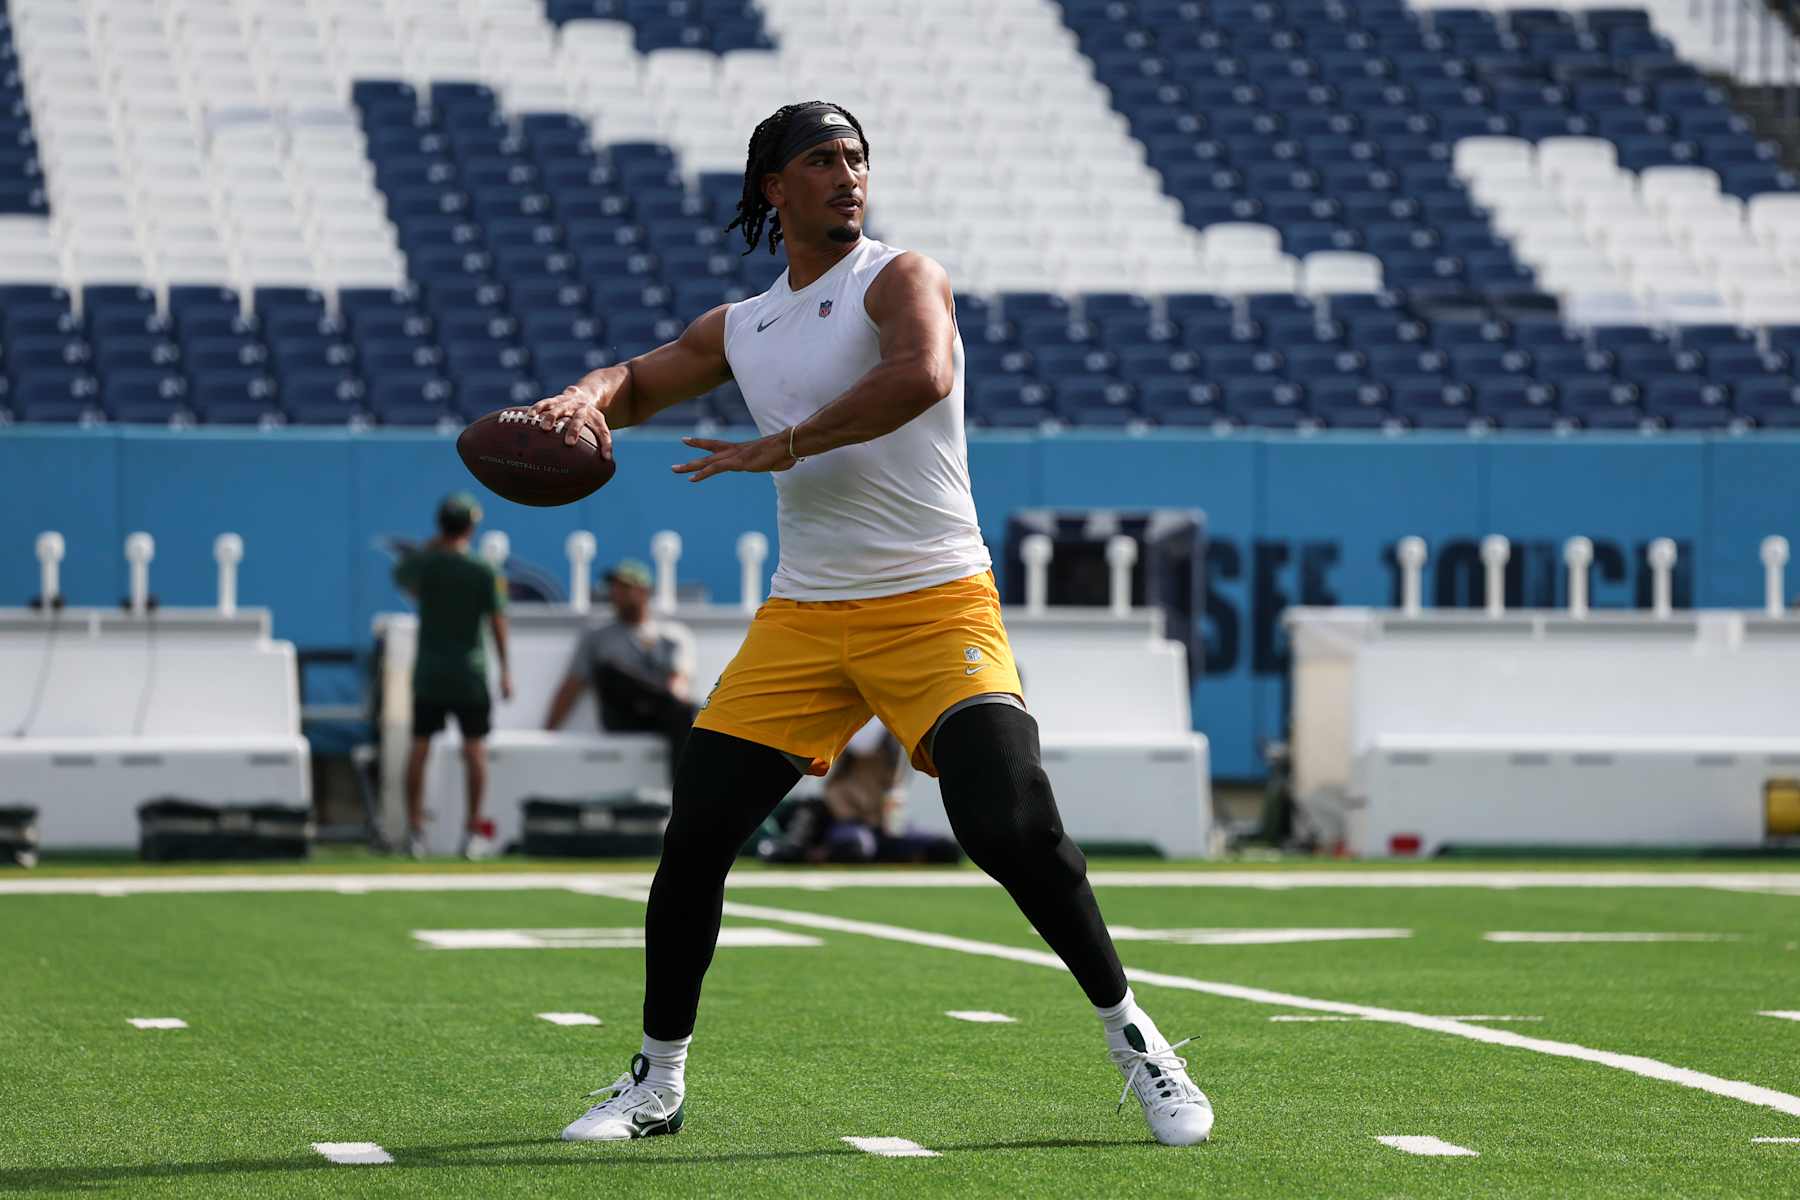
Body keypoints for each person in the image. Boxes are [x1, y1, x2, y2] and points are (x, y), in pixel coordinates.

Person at [530, 101, 1212, 1148]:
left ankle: (1140, 1044)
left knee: (1012, 825)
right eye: (821, 159)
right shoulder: (743, 325)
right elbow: (641, 379)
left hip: (935, 603)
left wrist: (788, 445)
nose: (847, 174)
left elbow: (921, 375)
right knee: (696, 838)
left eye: (856, 157)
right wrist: (579, 400)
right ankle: (656, 1083)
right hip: (806, 615)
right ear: (774, 188)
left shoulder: (899, 277)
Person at [393, 492, 512, 861]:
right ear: (471, 526)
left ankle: (415, 831)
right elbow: (497, 620)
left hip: (430, 672)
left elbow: (404, 580)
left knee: (420, 747)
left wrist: (428, 548)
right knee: (474, 752)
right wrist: (506, 670)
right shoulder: (482, 569)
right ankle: (472, 832)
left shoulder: (427, 564)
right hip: (470, 673)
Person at [544, 558, 699, 777]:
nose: (616, 593)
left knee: (686, 711)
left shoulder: (672, 636)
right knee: (611, 672)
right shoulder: (597, 637)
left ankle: (680, 792)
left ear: (644, 591)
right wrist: (548, 732)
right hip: (622, 717)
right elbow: (571, 686)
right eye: (614, 587)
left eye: (625, 587)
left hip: (660, 713)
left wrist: (677, 702)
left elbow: (678, 684)